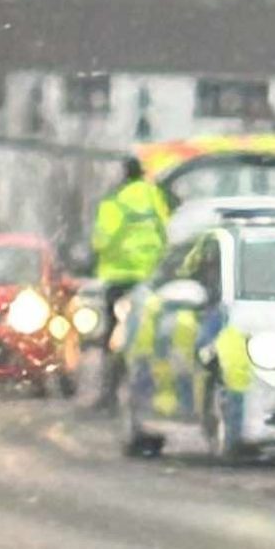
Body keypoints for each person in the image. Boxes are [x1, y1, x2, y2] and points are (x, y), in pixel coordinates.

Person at [90, 156, 171, 408]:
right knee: (148, 335)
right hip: (150, 279)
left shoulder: (116, 200)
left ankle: (110, 392)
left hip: (120, 277)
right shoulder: (154, 196)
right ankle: (151, 391)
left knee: (114, 336)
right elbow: (167, 230)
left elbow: (101, 239)